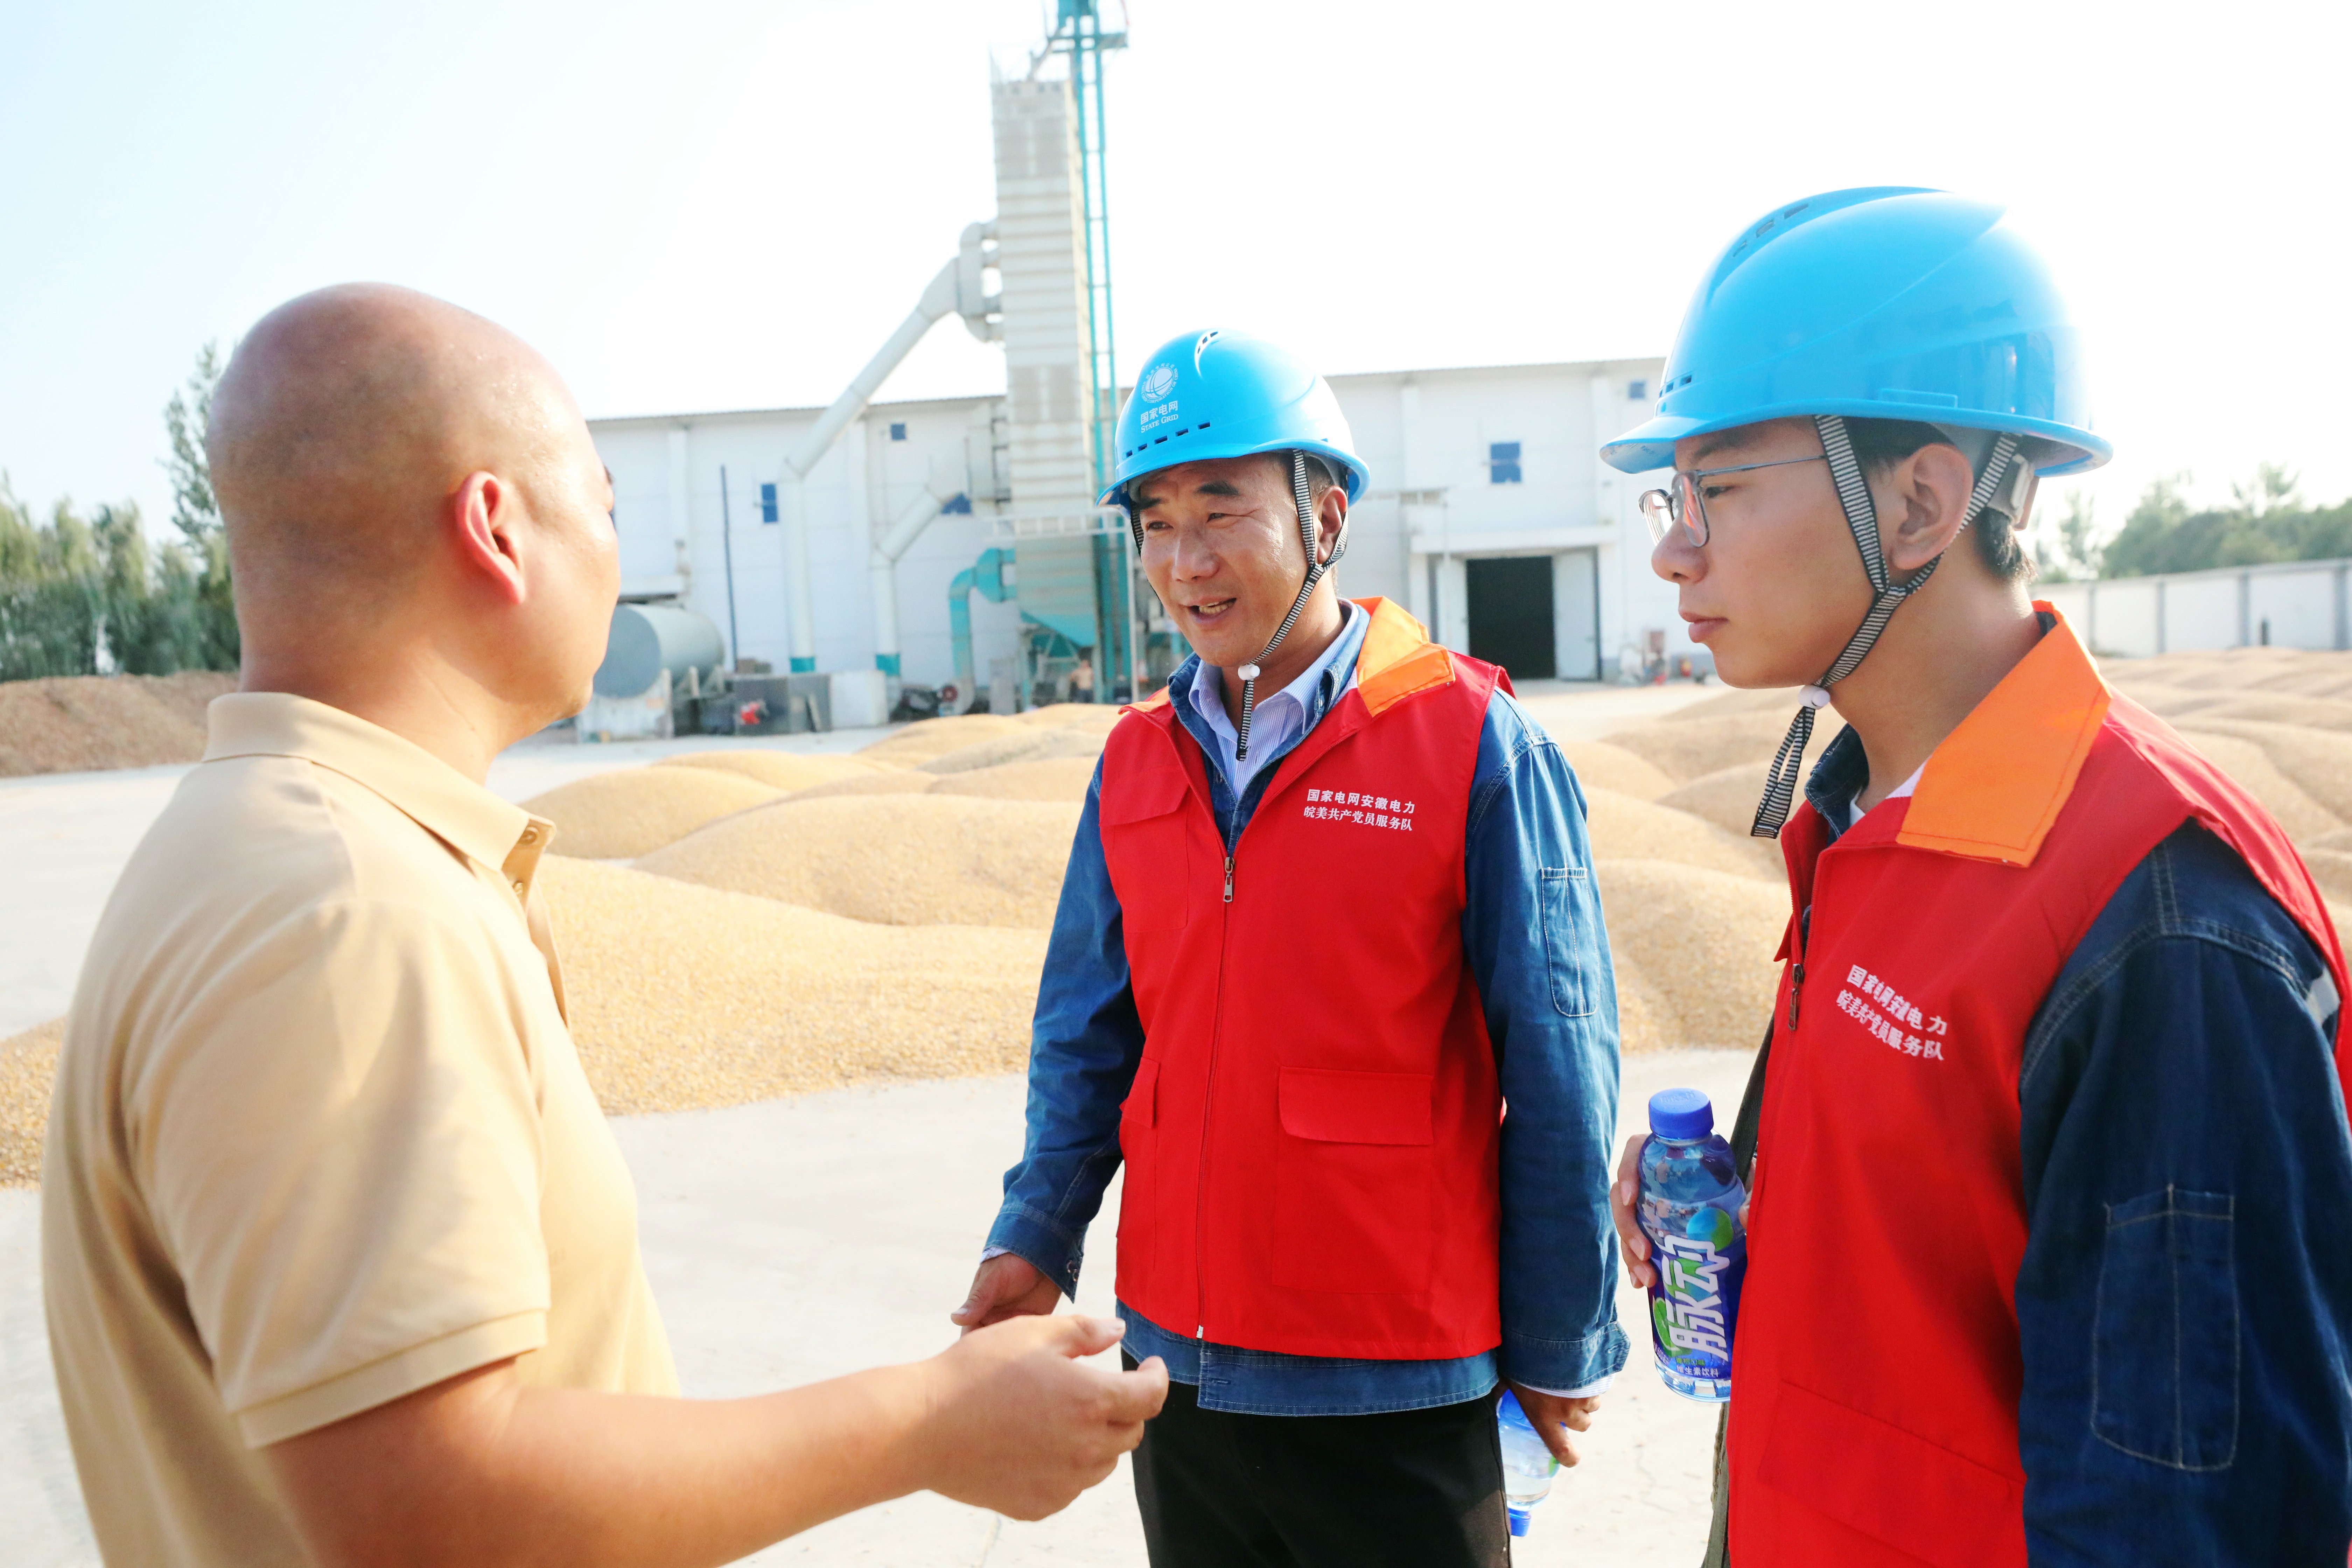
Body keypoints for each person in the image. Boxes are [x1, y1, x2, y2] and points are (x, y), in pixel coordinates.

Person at [40, 283, 1166, 1568]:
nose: (619, 560)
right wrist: (927, 1424)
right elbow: (427, 1507)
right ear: (496, 530)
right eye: (606, 508)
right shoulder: (351, 909)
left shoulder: (259, 845)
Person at [1600, 188, 2352, 1566]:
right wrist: (1763, 1215)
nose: (1673, 545)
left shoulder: (2160, 921)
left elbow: (2185, 1516)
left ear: (1920, 504)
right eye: (1672, 495)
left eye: (1720, 488)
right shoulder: (1868, 827)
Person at [951, 329, 1626, 1567]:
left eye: (1222, 511)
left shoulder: (1472, 742)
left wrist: (1557, 1340)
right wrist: (1036, 1233)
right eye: (1156, 522)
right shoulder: (1136, 761)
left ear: (1326, 516)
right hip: (1177, 1370)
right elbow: (1087, 1035)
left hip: (1394, 1375)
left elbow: (1561, 1061)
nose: (1185, 561)